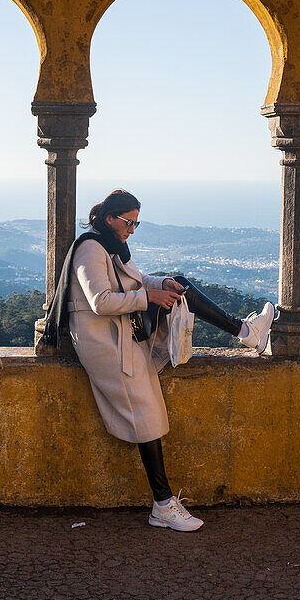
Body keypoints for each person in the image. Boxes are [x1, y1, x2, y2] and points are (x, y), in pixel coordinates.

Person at [40, 189, 276, 531]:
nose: (132, 230)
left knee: (179, 285)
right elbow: (100, 301)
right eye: (128, 222)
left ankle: (246, 332)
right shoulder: (91, 248)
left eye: (136, 223)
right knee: (146, 417)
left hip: (120, 334)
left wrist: (159, 283)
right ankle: (163, 504)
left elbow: (131, 282)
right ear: (109, 219)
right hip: (105, 343)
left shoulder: (109, 245)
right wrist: (149, 295)